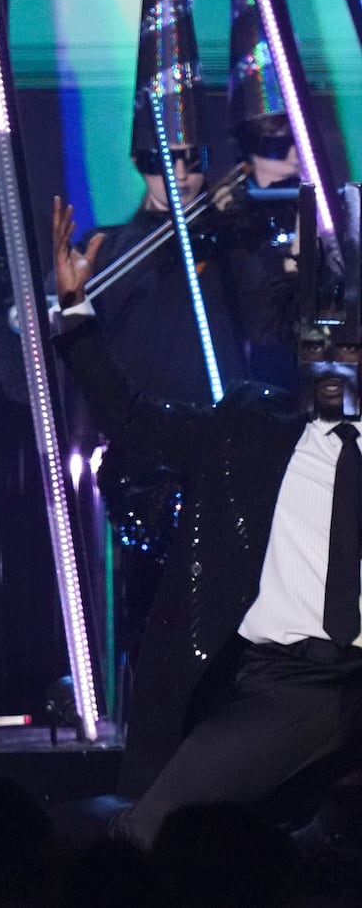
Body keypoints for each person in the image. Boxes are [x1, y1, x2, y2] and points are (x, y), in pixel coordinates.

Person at [51, 193, 362, 849]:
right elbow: (133, 419)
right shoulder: (251, 427)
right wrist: (77, 311)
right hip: (285, 684)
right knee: (146, 831)